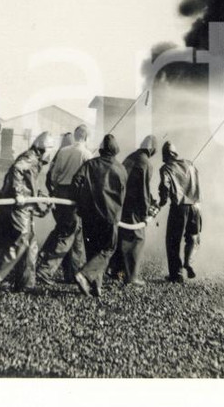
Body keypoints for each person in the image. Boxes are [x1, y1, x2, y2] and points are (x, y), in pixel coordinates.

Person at [0, 132, 53, 295]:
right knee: (22, 239)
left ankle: (26, 284)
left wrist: (39, 195)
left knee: (30, 243)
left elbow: (29, 182)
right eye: (49, 149)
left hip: (23, 206)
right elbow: (17, 169)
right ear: (42, 148)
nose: (50, 153)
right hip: (18, 208)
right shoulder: (30, 158)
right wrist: (18, 192)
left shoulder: (35, 160)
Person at [71, 134, 127, 297]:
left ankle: (96, 287)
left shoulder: (90, 164)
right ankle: (85, 275)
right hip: (110, 215)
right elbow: (123, 195)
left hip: (89, 214)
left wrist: (80, 201)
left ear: (101, 149)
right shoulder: (121, 169)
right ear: (116, 150)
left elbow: (76, 181)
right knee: (108, 249)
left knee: (92, 249)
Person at [36, 125, 91, 286]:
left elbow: (52, 175)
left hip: (59, 193)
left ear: (75, 136)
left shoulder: (63, 151)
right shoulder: (86, 154)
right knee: (68, 233)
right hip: (74, 196)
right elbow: (86, 181)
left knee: (75, 234)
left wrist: (57, 190)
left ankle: (73, 273)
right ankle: (45, 269)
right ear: (86, 137)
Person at [108, 135, 158, 287]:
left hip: (120, 203)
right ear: (152, 149)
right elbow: (143, 191)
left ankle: (116, 271)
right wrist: (146, 212)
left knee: (122, 237)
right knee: (136, 240)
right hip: (133, 207)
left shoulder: (130, 157)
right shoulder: (145, 163)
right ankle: (131, 277)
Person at [157, 140, 203, 283]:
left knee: (173, 241)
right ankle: (189, 262)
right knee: (193, 237)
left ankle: (176, 274)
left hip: (179, 207)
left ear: (165, 155)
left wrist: (162, 201)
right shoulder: (190, 164)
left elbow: (165, 187)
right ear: (176, 153)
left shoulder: (166, 168)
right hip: (196, 206)